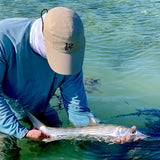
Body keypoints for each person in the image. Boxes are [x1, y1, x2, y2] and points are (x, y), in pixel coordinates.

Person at [0, 6, 135, 146]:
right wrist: (21, 131)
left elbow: (78, 111)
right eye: (59, 56)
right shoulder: (3, 38)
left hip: (38, 113)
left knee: (60, 148)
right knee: (6, 151)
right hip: (3, 115)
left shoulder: (72, 56)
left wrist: (110, 132)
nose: (65, 63)